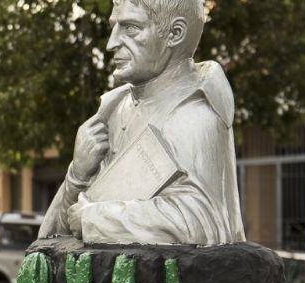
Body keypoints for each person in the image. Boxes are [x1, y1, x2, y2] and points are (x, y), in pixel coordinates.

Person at [38, 0, 245, 246]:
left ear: (175, 33)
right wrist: (77, 177)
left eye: (130, 28)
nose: (111, 43)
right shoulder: (112, 110)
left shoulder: (197, 115)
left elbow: (204, 224)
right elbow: (54, 237)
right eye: (114, 28)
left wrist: (95, 218)